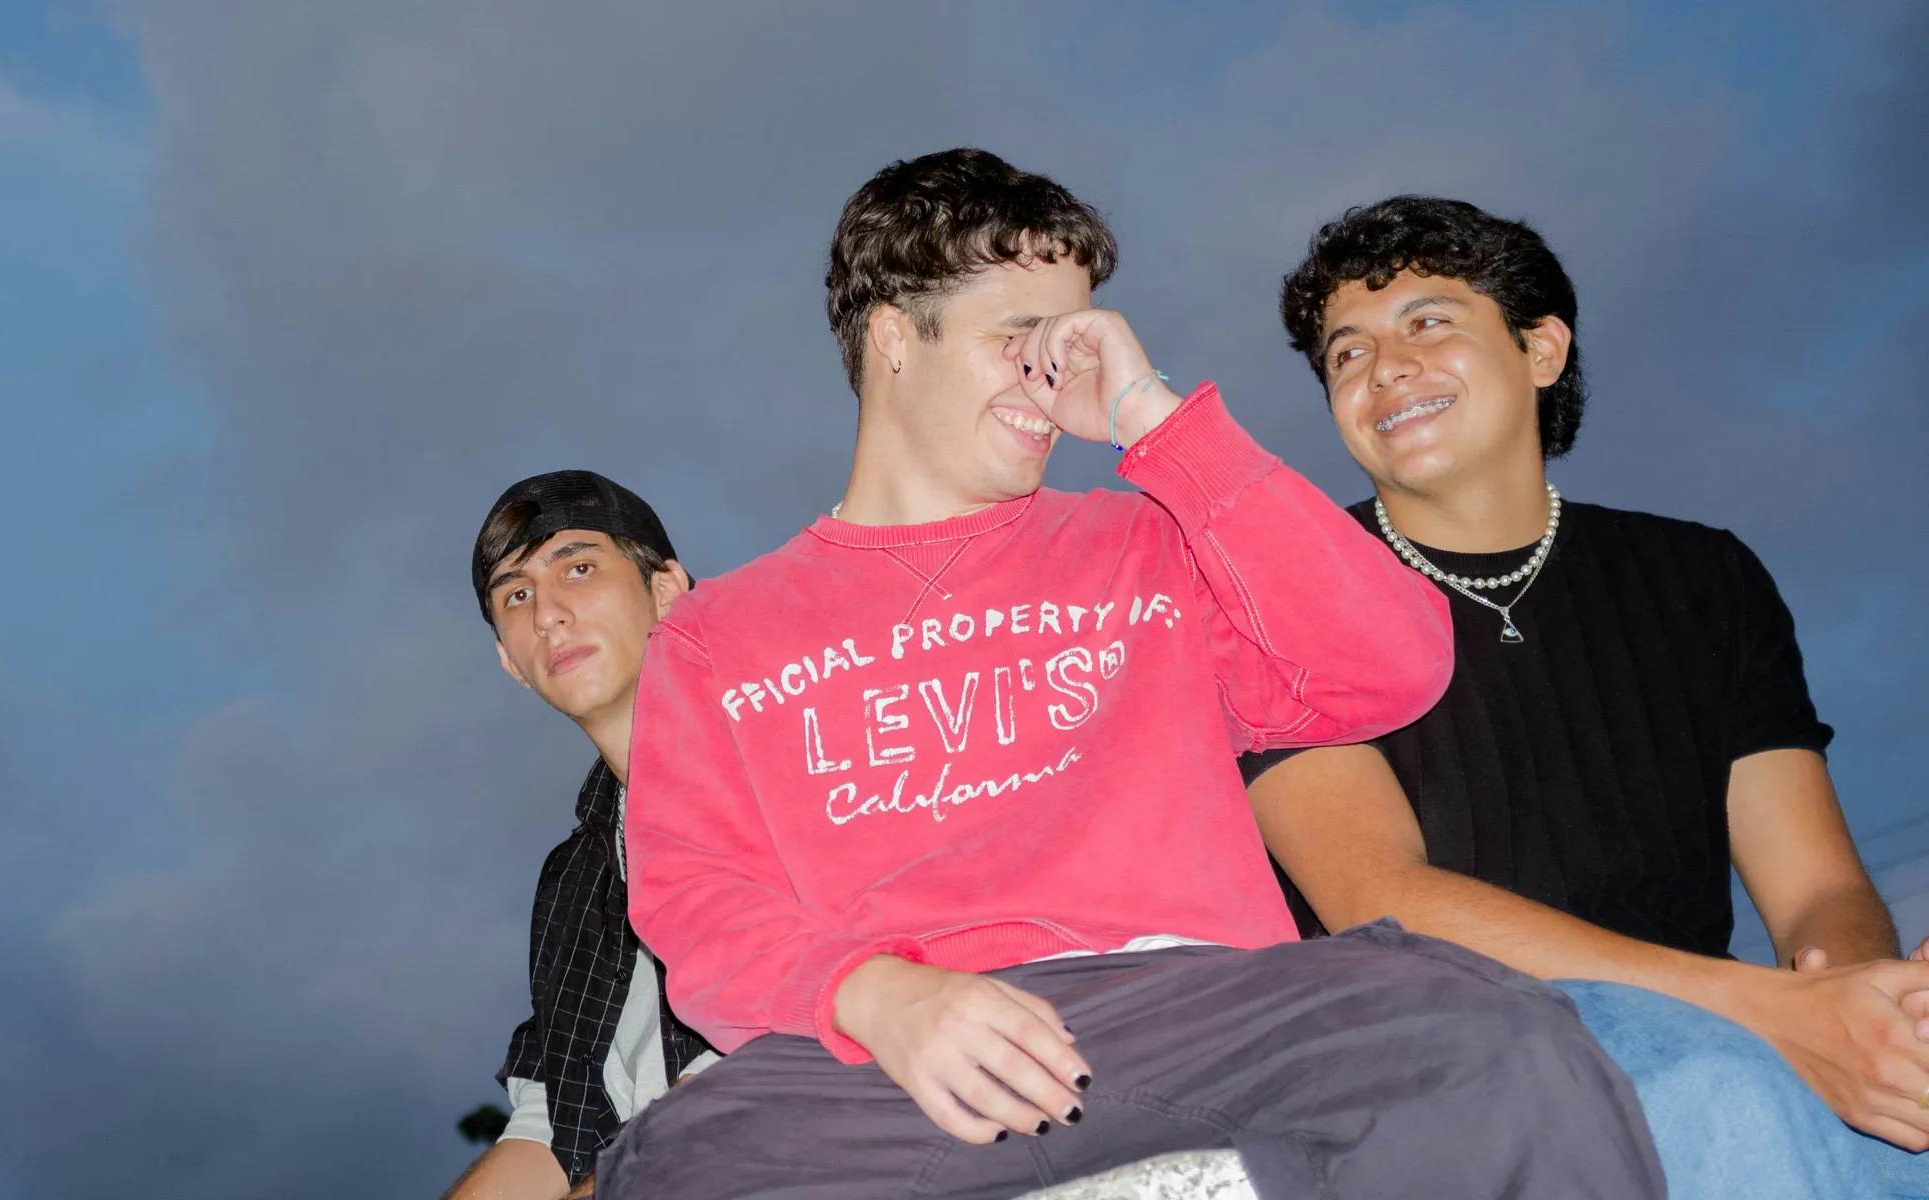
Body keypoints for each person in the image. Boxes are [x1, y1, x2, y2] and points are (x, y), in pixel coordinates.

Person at [598, 149, 1664, 1199]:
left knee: (1500, 1045)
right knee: (673, 1165)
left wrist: (1157, 419)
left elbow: (1394, 667)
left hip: (1196, 1012)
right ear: (893, 338)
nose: (1053, 377)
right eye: (1020, 338)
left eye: (1073, 343)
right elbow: (694, 898)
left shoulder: (1147, 544)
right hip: (886, 1059)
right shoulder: (717, 636)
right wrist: (876, 996)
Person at [1242, 194, 1929, 1199]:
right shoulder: (1276, 595)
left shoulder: (1704, 578)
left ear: (1542, 350)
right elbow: (1380, 902)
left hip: (1712, 1024)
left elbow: (1816, 886)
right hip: (1446, 1057)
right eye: (1347, 354)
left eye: (1427, 322)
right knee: (1714, 1092)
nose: (1385, 368)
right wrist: (1764, 1014)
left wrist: (1861, 1003)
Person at [442, 471, 719, 1200]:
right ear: (510, 661)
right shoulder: (576, 879)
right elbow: (548, 1126)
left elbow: (782, 1062)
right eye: (517, 595)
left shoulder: (787, 766)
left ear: (667, 591)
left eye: (580, 567)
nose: (548, 615)